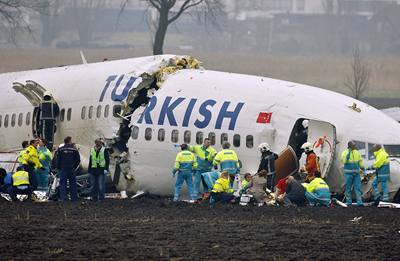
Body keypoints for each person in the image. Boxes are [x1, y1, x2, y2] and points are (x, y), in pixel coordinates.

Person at [56, 136, 81, 201]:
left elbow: (58, 159)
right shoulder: (74, 149)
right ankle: (74, 198)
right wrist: (74, 166)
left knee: (63, 184)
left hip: (63, 169)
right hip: (71, 168)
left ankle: (64, 198)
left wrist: (58, 167)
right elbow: (78, 160)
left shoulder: (60, 149)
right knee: (72, 183)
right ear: (69, 141)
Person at [341, 141, 365, 206]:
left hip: (356, 174)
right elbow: (344, 161)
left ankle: (359, 202)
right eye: (353, 145)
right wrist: (347, 156)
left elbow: (360, 161)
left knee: (358, 188)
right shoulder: (344, 153)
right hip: (348, 174)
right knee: (348, 188)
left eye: (355, 145)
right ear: (349, 145)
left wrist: (363, 168)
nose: (355, 146)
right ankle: (349, 202)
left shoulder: (357, 152)